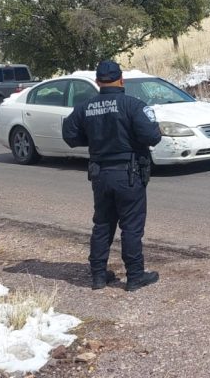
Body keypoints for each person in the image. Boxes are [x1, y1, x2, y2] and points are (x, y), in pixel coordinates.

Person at [62, 60, 163, 292]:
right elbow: (152, 137)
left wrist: (94, 139)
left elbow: (69, 134)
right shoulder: (133, 105)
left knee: (103, 224)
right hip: (129, 174)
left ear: (98, 82)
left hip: (100, 173)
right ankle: (135, 277)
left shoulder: (85, 107)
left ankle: (98, 276)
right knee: (131, 226)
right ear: (121, 80)